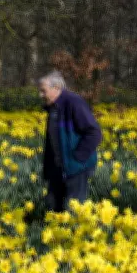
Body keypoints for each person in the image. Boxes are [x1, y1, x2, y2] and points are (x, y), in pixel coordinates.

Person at [37, 71, 102, 212]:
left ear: (56, 88)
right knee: (53, 207)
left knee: (72, 209)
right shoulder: (53, 108)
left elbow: (94, 132)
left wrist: (77, 158)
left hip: (76, 168)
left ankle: (73, 233)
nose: (40, 95)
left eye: (43, 91)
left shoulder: (74, 103)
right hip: (58, 168)